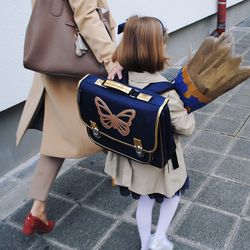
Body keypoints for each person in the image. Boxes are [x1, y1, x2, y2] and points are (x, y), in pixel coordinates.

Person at [17, 0, 122, 236]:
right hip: (76, 61)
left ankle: (37, 209)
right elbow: (85, 15)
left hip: (52, 59)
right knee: (104, 114)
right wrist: (110, 58)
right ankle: (118, 171)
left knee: (57, 135)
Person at [104, 16, 195, 250]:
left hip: (132, 157)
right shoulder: (165, 92)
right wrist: (188, 109)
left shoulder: (116, 77)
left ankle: (145, 244)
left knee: (143, 201)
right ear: (156, 49)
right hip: (161, 162)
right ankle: (160, 237)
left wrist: (119, 63)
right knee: (173, 195)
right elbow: (186, 127)